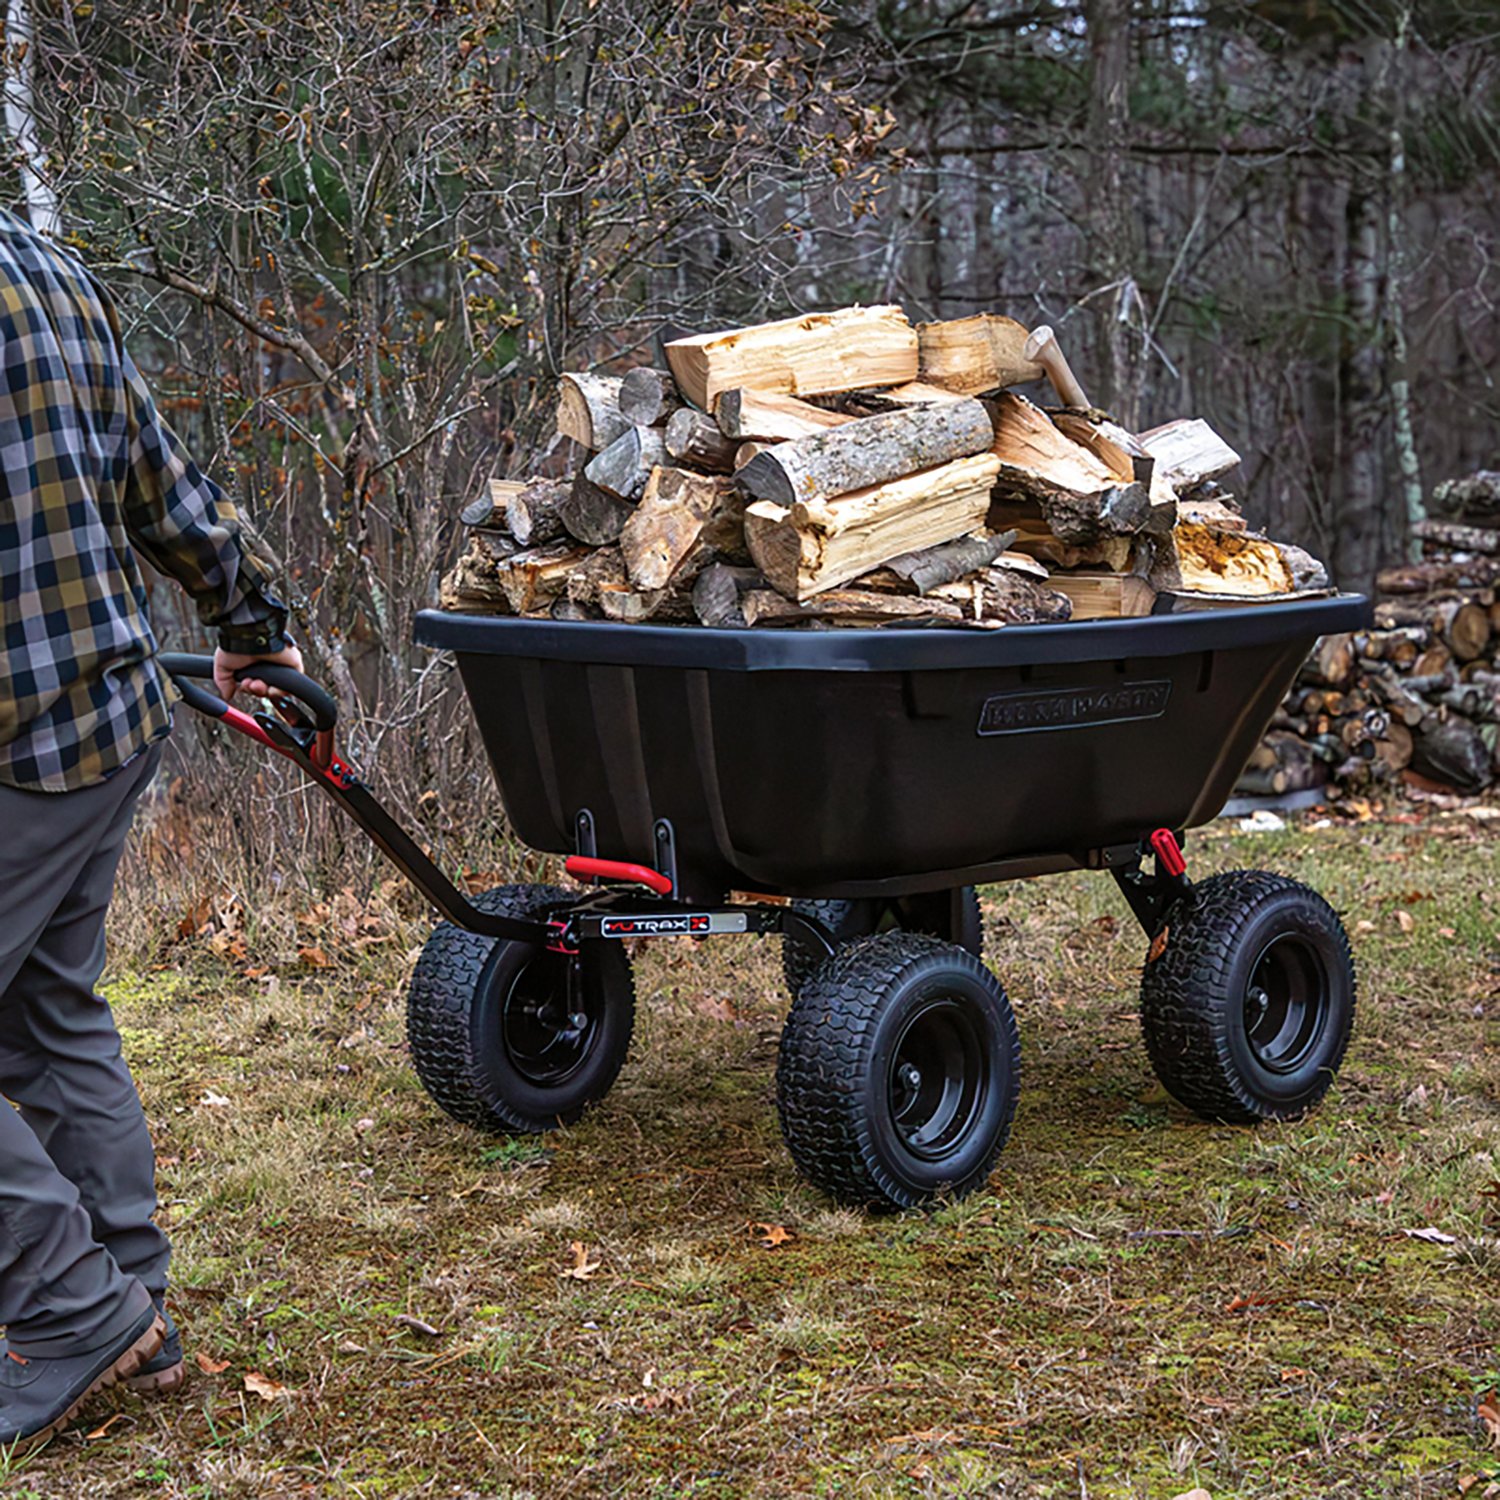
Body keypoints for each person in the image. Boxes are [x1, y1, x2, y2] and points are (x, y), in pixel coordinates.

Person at [0, 207, 301, 1448]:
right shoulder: (44, 267)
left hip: (15, 745)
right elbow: (158, 480)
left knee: (45, 1011)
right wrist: (249, 615)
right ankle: (127, 1307)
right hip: (104, 725)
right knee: (43, 1010)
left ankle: (74, 1312)